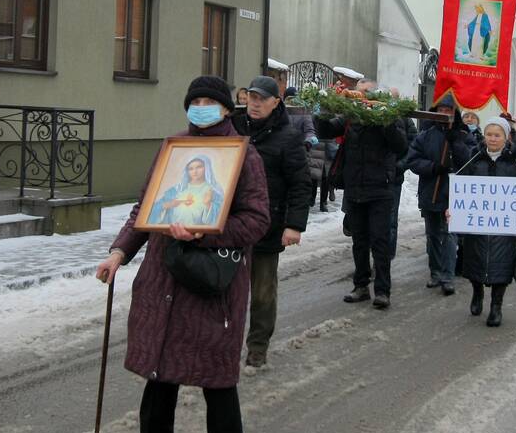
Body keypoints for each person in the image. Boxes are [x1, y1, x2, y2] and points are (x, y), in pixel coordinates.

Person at [96, 75, 269, 433]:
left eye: (212, 101)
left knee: (216, 377)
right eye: (197, 101)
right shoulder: (173, 148)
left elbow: (257, 220)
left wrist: (204, 233)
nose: (203, 107)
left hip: (211, 284)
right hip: (164, 274)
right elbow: (146, 206)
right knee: (160, 371)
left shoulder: (243, 157)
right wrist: (120, 252)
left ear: (229, 109)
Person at [233, 76, 312, 368]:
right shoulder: (234, 127)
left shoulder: (288, 136)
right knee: (225, 288)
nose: (254, 103)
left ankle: (257, 346)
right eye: (251, 97)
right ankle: (224, 344)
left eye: (262, 99)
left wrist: (294, 225)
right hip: (232, 224)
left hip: (268, 224)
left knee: (263, 292)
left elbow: (301, 184)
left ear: (275, 102)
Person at [316, 105, 409, 309]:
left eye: (366, 95)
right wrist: (322, 112)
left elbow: (401, 146)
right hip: (355, 189)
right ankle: (361, 286)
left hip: (380, 191)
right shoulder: (350, 118)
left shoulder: (388, 118)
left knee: (380, 241)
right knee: (359, 241)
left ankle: (383, 291)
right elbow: (325, 131)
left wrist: (387, 122)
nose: (362, 101)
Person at [455, 117, 516, 326]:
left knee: (502, 265)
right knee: (474, 260)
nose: (493, 139)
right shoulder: (474, 157)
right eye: (489, 134)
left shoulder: (515, 161)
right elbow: (463, 187)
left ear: (506, 137)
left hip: (504, 226)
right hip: (477, 224)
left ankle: (496, 306)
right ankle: (477, 292)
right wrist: (455, 209)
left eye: (497, 135)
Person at [406, 93, 473, 294]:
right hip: (431, 192)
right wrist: (433, 167)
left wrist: (456, 142)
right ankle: (435, 272)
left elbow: (469, 160)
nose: (445, 114)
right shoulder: (425, 136)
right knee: (433, 236)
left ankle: (447, 275)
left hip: (453, 196)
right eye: (441, 110)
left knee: (450, 236)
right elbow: (413, 160)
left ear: (455, 113)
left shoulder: (464, 135)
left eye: (449, 110)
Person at [147, 155, 225, 226]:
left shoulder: (213, 191)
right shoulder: (176, 190)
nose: (195, 171)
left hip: (202, 237)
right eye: (191, 169)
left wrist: (208, 205)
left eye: (199, 167)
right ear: (187, 171)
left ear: (207, 168)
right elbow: (150, 210)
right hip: (172, 235)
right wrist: (168, 204)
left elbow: (222, 216)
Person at [388, 87, 418, 260]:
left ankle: (386, 257)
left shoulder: (405, 119)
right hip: (375, 177)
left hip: (394, 176)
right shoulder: (373, 115)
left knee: (391, 220)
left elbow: (413, 146)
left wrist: (400, 166)